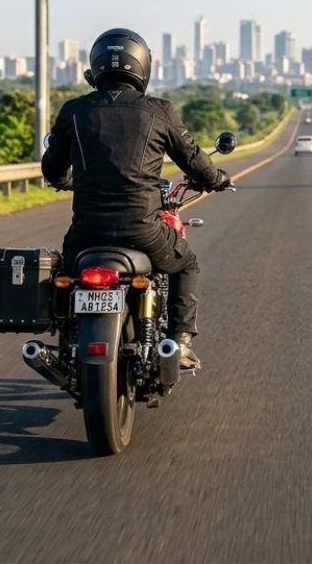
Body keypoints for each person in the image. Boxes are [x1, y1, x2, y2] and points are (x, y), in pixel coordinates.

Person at [40, 28, 230, 369]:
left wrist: (68, 180)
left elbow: (52, 169)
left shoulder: (74, 111)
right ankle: (180, 341)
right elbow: (194, 159)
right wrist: (215, 179)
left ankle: (67, 337)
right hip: (144, 232)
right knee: (187, 264)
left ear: (95, 67)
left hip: (87, 232)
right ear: (142, 67)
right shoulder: (160, 111)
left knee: (63, 273)